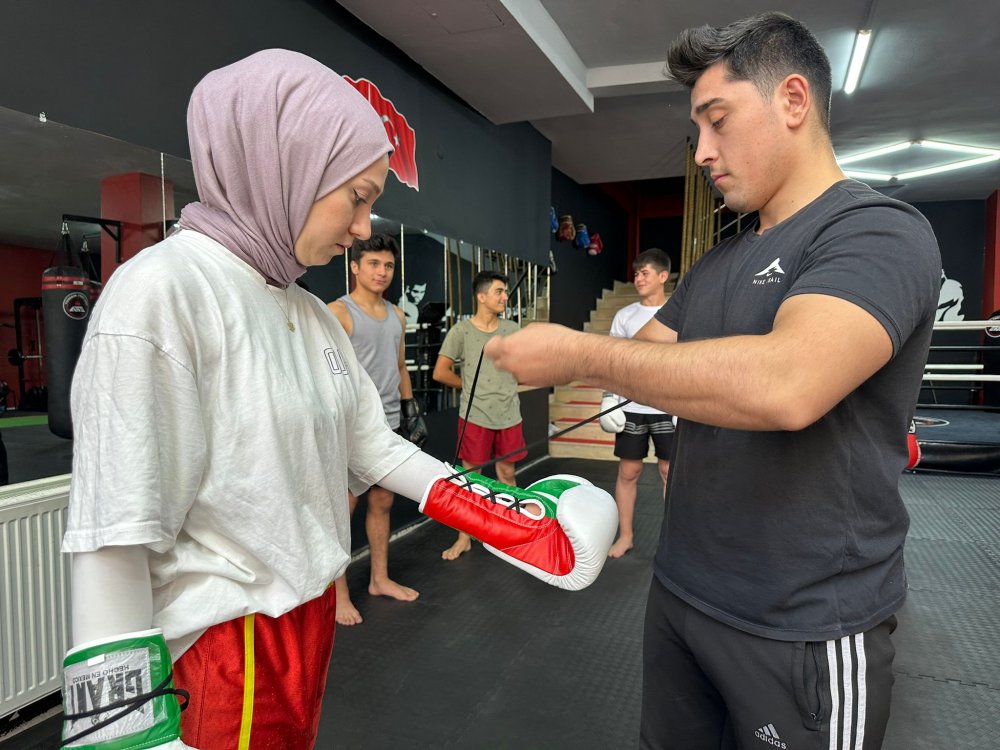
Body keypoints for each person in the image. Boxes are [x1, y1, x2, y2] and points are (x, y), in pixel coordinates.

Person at [59, 49, 616, 750]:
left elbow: (372, 444)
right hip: (223, 645)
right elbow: (115, 530)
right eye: (357, 196)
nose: (362, 227)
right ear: (285, 166)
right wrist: (121, 734)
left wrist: (511, 519)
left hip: (310, 618)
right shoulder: (162, 293)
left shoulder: (307, 312)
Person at [486, 13, 941, 750]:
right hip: (683, 592)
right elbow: (651, 359)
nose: (701, 151)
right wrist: (556, 355)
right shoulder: (719, 263)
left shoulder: (877, 232)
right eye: (697, 129)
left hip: (804, 622)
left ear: (792, 100)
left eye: (717, 120)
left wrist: (579, 354)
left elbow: (788, 384)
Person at [327, 233, 425, 625]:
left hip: (390, 423)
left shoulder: (397, 315)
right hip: (353, 428)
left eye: (388, 265)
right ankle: (339, 595)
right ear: (355, 266)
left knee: (383, 502)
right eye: (373, 263)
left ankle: (379, 579)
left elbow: (399, 366)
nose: (381, 272)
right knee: (343, 510)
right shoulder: (338, 312)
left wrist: (410, 409)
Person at [432, 271, 527, 561]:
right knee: (471, 480)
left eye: (506, 292)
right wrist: (469, 387)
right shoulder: (461, 331)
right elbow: (440, 372)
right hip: (474, 416)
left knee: (507, 475)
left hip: (509, 414)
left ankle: (512, 534)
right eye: (499, 291)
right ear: (481, 296)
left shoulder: (512, 329)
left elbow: (523, 367)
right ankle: (465, 538)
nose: (505, 297)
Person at [598, 248, 675, 558]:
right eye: (636, 273)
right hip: (631, 409)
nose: (638, 278)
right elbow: (611, 362)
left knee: (670, 472)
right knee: (629, 472)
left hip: (668, 408)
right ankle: (626, 536)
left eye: (645, 273)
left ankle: (673, 542)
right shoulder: (625, 315)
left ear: (663, 276)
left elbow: (692, 360)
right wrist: (608, 398)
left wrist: (687, 405)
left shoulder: (679, 312)